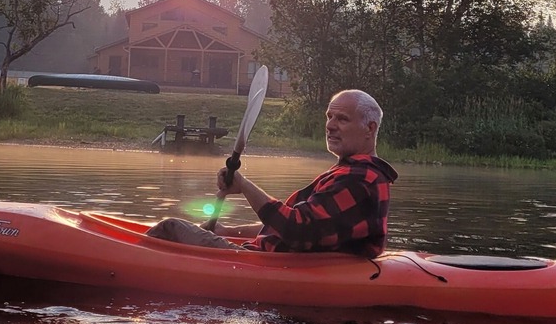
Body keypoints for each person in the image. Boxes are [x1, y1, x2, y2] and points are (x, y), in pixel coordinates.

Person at [145, 89, 397, 257]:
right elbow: (302, 228)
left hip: (264, 263)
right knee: (190, 231)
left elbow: (297, 230)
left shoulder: (358, 178)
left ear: (369, 128)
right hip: (278, 258)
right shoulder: (356, 172)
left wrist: (244, 186)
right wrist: (227, 230)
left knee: (171, 228)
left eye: (342, 119)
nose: (330, 125)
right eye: (329, 116)